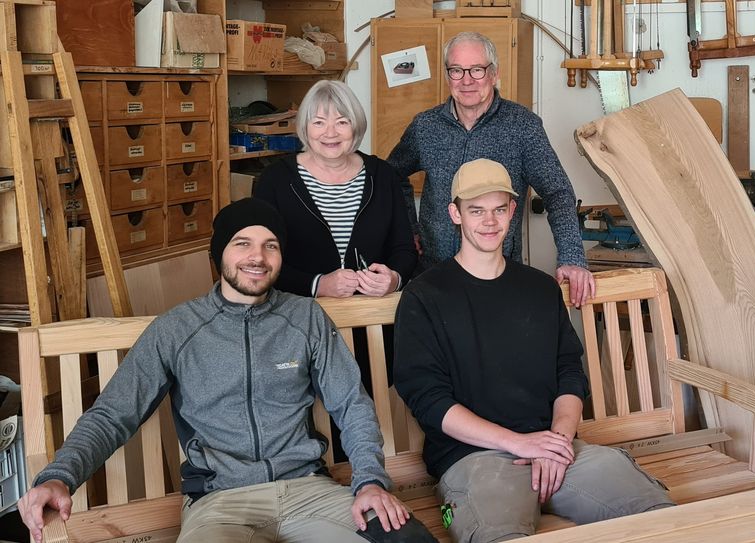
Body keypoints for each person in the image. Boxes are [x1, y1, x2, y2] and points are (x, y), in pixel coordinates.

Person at [17, 198, 436, 543]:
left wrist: (369, 482)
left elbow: (351, 405)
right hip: (221, 502)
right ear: (219, 254)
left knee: (407, 539)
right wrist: (59, 477)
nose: (258, 257)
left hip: (309, 490)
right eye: (242, 243)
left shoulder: (306, 317)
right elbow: (113, 414)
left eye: (271, 245)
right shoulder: (176, 329)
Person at [393, 159, 674, 543]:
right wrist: (519, 443)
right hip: (475, 457)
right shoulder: (424, 296)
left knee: (660, 517)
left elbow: (569, 373)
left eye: (498, 209)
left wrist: (557, 440)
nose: (489, 221)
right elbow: (427, 399)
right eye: (476, 210)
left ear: (512, 211)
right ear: (455, 214)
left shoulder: (540, 289)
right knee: (500, 536)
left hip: (556, 446)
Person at [386, 31, 594, 306]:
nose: (467, 80)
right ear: (448, 76)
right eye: (457, 70)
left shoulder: (522, 127)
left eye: (477, 70)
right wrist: (408, 230)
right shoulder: (425, 127)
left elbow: (557, 192)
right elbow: (390, 175)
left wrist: (572, 257)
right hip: (433, 278)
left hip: (499, 281)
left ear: (494, 74)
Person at [254, 79, 417, 299]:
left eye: (342, 122)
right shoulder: (276, 179)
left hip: (369, 312)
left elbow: (404, 248)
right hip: (297, 311)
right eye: (319, 122)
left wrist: (394, 279)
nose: (330, 133)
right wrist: (316, 285)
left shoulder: (382, 175)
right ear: (305, 127)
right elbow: (260, 257)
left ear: (355, 126)